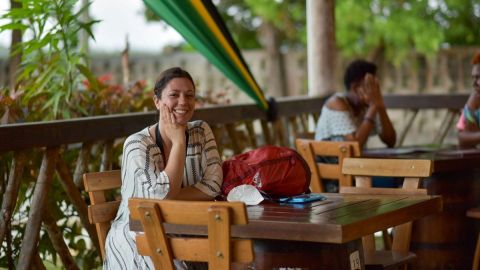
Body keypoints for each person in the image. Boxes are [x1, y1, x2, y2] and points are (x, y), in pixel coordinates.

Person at [103, 67, 222, 269]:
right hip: (138, 235)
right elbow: (162, 198)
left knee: (237, 255)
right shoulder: (137, 145)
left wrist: (169, 199)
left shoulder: (201, 130)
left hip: (188, 228)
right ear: (157, 101)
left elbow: (213, 185)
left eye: (189, 95)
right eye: (174, 95)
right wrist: (178, 143)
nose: (183, 102)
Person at [314, 59, 396, 148]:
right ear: (356, 88)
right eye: (370, 85)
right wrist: (373, 105)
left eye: (376, 86)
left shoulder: (365, 106)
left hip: (348, 160)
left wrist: (380, 105)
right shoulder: (336, 103)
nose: (375, 91)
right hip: (327, 161)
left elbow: (390, 140)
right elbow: (354, 146)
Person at [457, 52, 480, 148]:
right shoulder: (475, 99)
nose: (474, 83)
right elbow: (462, 137)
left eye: (479, 77)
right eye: (474, 77)